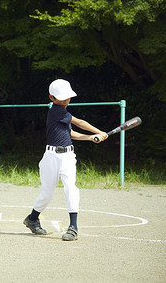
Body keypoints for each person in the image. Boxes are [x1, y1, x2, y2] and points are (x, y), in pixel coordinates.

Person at [23, 79, 107, 241]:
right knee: (47, 193)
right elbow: (79, 123)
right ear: (52, 98)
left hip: (67, 157)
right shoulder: (56, 111)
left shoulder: (62, 114)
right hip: (51, 157)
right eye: (60, 98)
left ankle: (73, 227)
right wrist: (99, 131)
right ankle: (32, 219)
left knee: (71, 188)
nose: (64, 100)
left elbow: (70, 134)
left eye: (67, 97)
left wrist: (91, 138)